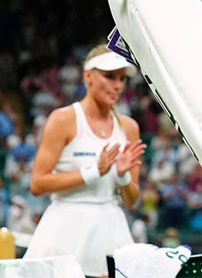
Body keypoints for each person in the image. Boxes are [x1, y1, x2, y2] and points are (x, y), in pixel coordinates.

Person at [25, 45, 146, 277]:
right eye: (109, 76)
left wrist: (122, 175)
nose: (117, 85)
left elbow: (131, 199)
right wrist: (94, 171)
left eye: (121, 79)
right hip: (64, 227)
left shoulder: (130, 127)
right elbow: (37, 184)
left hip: (111, 227)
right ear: (87, 76)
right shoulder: (63, 120)